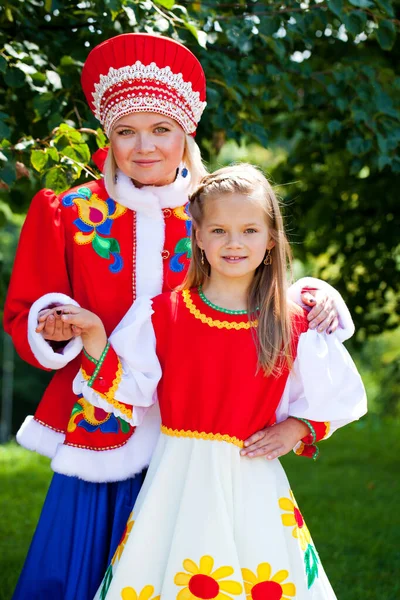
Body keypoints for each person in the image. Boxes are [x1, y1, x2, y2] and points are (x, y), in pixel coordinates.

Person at [4, 33, 345, 600]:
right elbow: (25, 312)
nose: (145, 147)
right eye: (126, 131)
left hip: (204, 426)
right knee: (81, 570)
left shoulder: (214, 210)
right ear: (107, 138)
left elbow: (261, 274)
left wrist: (317, 293)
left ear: (185, 135)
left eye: (161, 129)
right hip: (104, 421)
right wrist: (52, 323)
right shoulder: (67, 212)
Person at [59, 164, 367, 599]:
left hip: (252, 473)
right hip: (178, 475)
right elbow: (130, 386)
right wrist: (93, 336)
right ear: (198, 237)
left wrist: (298, 427)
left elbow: (336, 396)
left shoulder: (292, 321)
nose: (234, 242)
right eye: (219, 230)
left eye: (249, 230)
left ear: (271, 238)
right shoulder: (164, 313)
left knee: (254, 571)